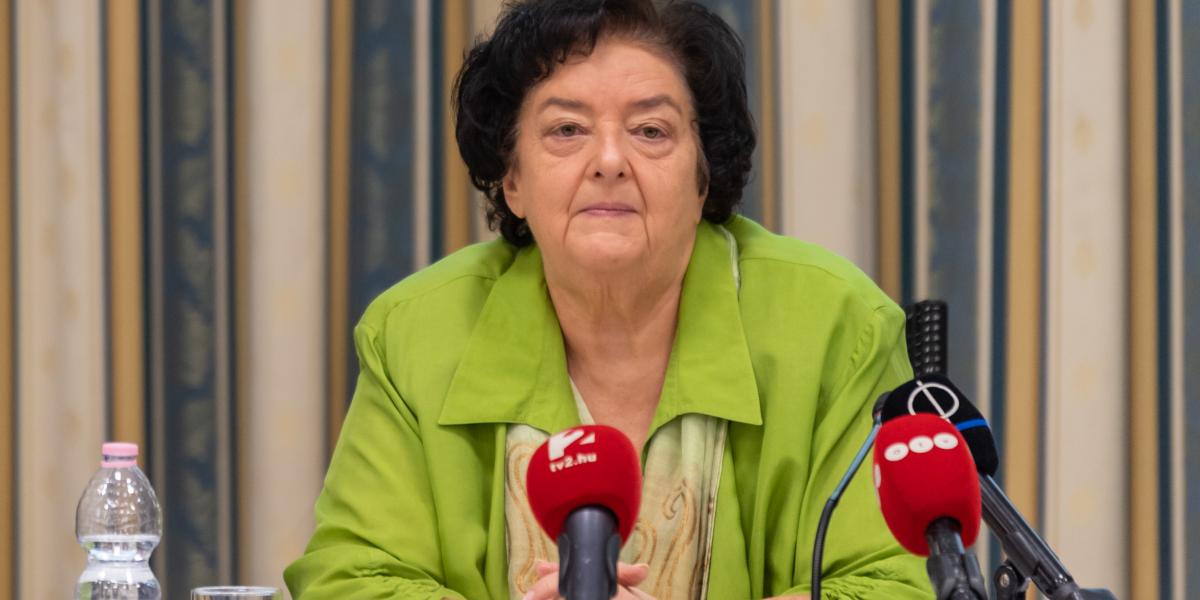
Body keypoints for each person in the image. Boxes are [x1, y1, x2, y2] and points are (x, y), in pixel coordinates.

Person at [285, 0, 930, 598]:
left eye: (651, 130)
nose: (610, 159)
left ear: (703, 177)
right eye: (567, 129)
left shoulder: (836, 327)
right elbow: (353, 578)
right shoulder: (415, 334)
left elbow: (888, 585)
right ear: (512, 179)